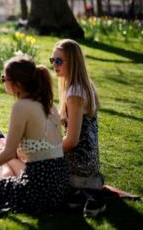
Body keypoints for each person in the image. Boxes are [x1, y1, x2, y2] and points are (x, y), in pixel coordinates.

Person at [0, 55, 69, 213]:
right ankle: (1, 182)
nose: (2, 81)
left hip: (38, 192)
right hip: (58, 185)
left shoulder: (22, 106)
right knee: (6, 160)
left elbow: (8, 153)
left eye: (4, 78)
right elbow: (34, 151)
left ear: (16, 84)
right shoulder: (48, 104)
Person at [51, 39, 105, 216]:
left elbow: (72, 140)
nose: (55, 65)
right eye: (53, 60)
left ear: (72, 63)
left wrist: (48, 152)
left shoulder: (75, 93)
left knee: (34, 162)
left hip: (79, 163)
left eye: (59, 61)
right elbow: (60, 121)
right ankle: (82, 192)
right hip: (90, 162)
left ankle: (81, 191)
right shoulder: (84, 86)